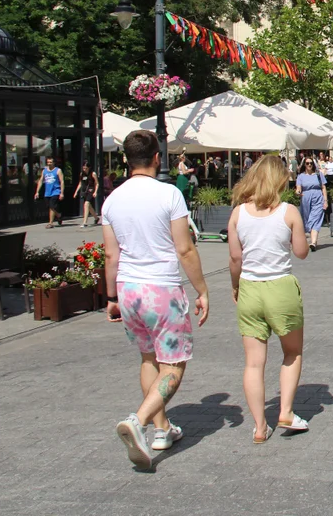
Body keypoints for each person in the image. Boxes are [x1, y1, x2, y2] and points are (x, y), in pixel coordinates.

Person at [102, 130, 209, 469]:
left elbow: (110, 254)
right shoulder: (169, 194)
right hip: (161, 287)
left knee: (148, 358)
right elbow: (184, 247)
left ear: (125, 159)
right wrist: (202, 289)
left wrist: (111, 296)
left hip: (129, 289)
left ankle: (162, 429)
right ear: (157, 158)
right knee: (174, 364)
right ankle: (140, 420)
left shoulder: (112, 200)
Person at [227, 155, 310, 443]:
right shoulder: (288, 212)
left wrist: (235, 286)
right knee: (292, 352)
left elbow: (235, 258)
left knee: (253, 362)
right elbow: (301, 252)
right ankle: (285, 411)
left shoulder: (238, 213)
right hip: (281, 287)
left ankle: (260, 426)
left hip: (250, 287)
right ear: (279, 180)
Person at [295, 157, 327, 252]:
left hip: (318, 198)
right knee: (307, 219)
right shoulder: (301, 176)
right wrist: (297, 192)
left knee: (315, 218)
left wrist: (325, 201)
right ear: (304, 164)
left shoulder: (318, 175)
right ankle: (314, 241)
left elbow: (323, 187)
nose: (309, 165)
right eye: (307, 163)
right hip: (306, 199)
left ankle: (313, 242)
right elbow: (298, 188)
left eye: (311, 163)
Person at [34, 156, 64, 228]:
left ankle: (50, 223)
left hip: (56, 191)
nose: (49, 164)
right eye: (48, 162)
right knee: (50, 206)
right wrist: (37, 192)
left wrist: (62, 193)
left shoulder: (58, 170)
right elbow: (41, 181)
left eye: (51, 162)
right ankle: (59, 215)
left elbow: (62, 181)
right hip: (47, 192)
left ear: (54, 163)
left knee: (52, 206)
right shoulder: (44, 171)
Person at [73, 162, 100, 228]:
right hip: (85, 191)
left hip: (91, 190)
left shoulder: (93, 174)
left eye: (86, 168)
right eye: (83, 168)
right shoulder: (82, 174)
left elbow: (97, 183)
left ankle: (85, 222)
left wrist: (95, 192)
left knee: (86, 204)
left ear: (89, 168)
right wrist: (76, 192)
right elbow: (80, 183)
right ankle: (96, 218)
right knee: (89, 206)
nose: (84, 169)